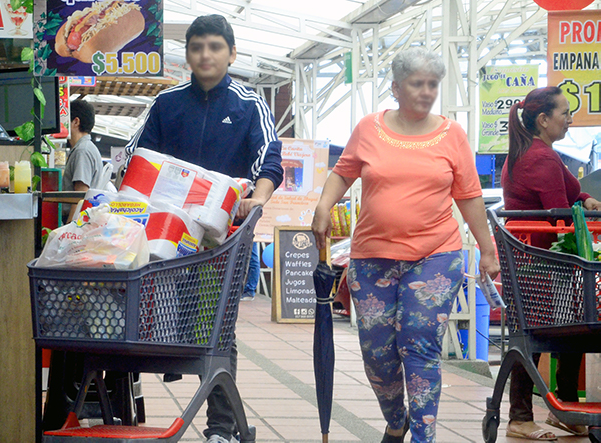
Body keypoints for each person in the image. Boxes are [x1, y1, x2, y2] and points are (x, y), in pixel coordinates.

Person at [311, 47, 500, 443]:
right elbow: (342, 173)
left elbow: (469, 195)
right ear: (396, 87)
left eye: (433, 84)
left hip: (436, 256)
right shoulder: (368, 128)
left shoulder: (452, 135)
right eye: (418, 83)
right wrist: (324, 207)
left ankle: (422, 438)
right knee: (378, 354)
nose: (427, 91)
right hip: (372, 257)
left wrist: (487, 249)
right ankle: (396, 421)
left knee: (420, 347)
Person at [125, 14, 283, 443]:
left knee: (214, 329)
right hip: (166, 238)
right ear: (188, 53)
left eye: (215, 47)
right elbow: (137, 159)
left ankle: (220, 427)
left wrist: (258, 198)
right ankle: (123, 403)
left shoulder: (249, 105)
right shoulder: (167, 103)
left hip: (221, 241)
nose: (205, 55)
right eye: (197, 47)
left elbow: (270, 160)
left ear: (231, 54)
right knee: (152, 321)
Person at [500, 86, 598, 440]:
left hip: (531, 262)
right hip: (540, 265)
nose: (570, 120)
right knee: (541, 335)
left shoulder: (531, 152)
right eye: (564, 113)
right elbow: (561, 217)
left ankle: (563, 409)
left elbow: (573, 194)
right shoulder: (541, 158)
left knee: (558, 329)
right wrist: (580, 211)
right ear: (543, 120)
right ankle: (521, 417)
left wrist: (586, 200)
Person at [62, 99, 103, 222]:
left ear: (76, 122)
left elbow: (80, 196)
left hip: (78, 222)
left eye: (65, 120)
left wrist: (68, 230)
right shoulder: (85, 148)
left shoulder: (82, 151)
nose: (61, 125)